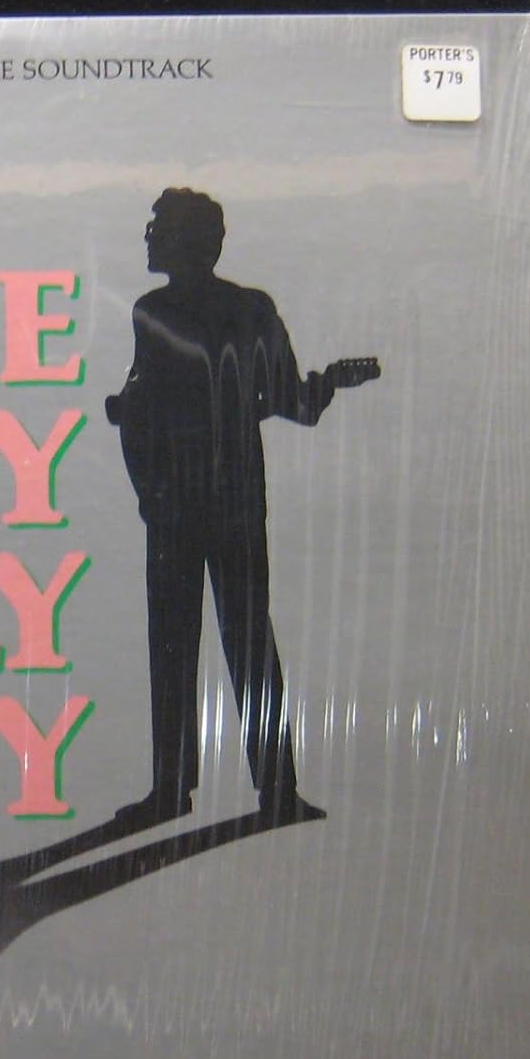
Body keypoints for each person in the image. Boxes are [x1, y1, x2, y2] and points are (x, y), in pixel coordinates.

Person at [106, 189, 378, 825]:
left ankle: (175, 791)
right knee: (247, 639)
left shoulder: (154, 311)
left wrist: (147, 475)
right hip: (227, 500)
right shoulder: (248, 308)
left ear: (187, 240)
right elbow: (294, 402)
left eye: (158, 227)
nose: (148, 236)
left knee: (178, 643)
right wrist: (330, 382)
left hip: (178, 502)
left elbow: (141, 408)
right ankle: (273, 791)